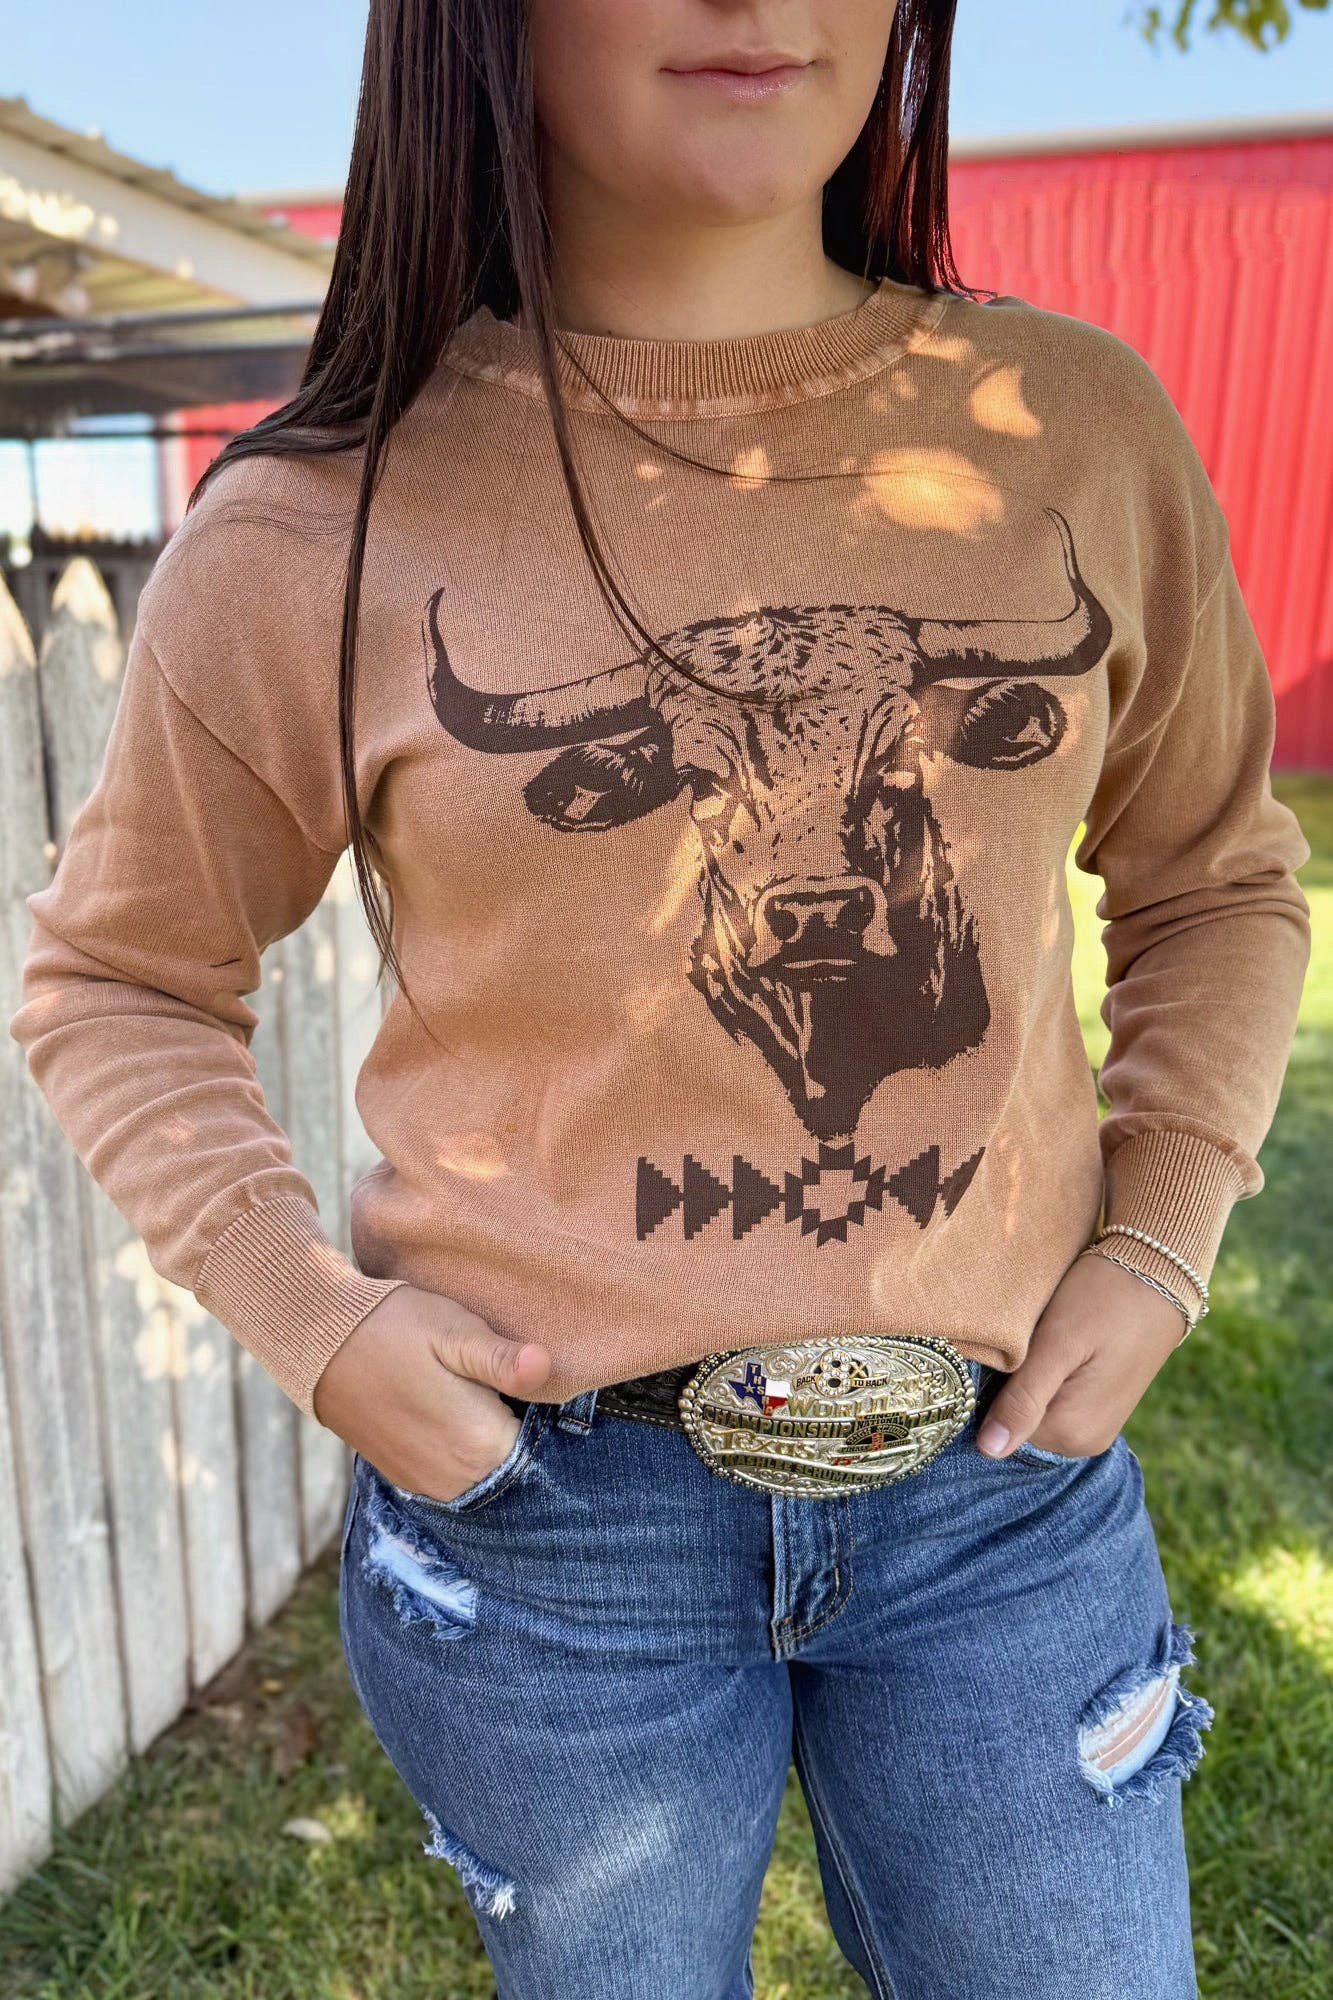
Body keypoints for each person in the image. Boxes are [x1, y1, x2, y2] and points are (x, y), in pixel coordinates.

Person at [8, 3, 1312, 1995]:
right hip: (549, 1523)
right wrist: (315, 1321)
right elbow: (116, 973)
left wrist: (1161, 1231)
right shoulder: (318, 523)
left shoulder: (1071, 435)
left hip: (999, 1497)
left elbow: (1213, 875)